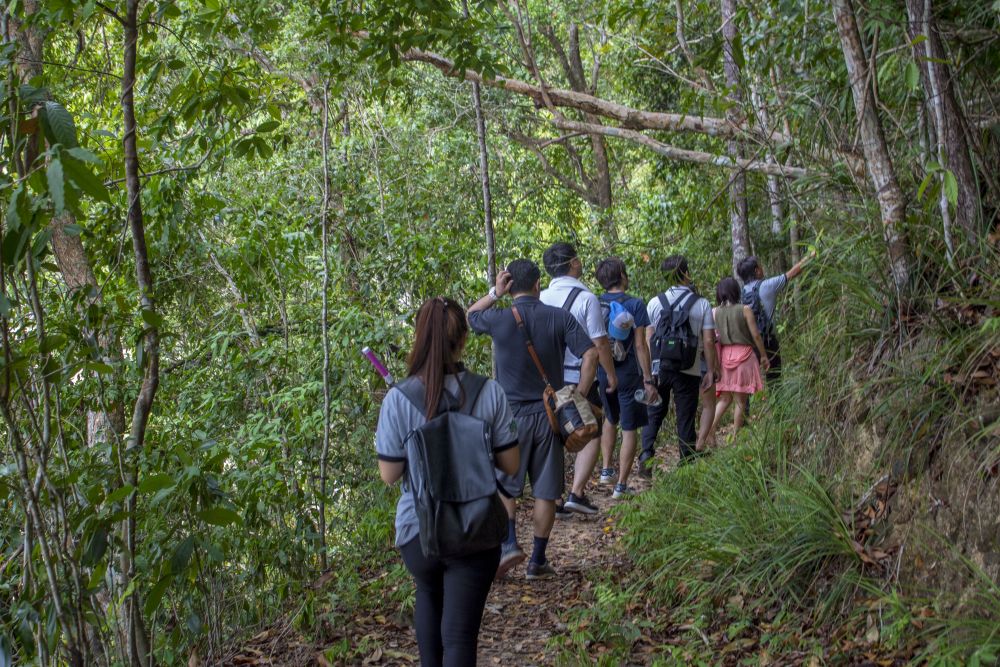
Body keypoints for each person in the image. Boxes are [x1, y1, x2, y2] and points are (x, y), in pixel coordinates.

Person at [375, 297, 521, 667]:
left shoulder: (398, 398)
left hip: (419, 531)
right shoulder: (489, 392)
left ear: (419, 338)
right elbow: (511, 463)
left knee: (427, 592)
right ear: (464, 339)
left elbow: (390, 476)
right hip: (476, 530)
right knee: (460, 637)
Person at [468, 259, 598, 580]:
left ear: (510, 285)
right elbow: (591, 354)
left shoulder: (498, 319)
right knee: (545, 490)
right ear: (539, 284)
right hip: (548, 415)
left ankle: (510, 544)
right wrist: (577, 396)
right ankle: (537, 561)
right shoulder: (558, 317)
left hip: (508, 418)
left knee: (505, 487)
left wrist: (495, 293)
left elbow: (470, 315)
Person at [539, 242, 617, 516]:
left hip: (548, 383)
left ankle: (555, 498)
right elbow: (599, 344)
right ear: (573, 263)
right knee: (592, 428)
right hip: (577, 381)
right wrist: (610, 375)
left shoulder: (541, 297)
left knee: (553, 435)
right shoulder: (586, 299)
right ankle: (577, 492)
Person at [639, 255, 719, 469]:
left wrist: (650, 370)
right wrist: (710, 370)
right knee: (686, 415)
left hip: (660, 368)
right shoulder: (701, 303)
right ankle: (686, 461)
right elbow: (709, 340)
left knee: (654, 412)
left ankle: (646, 454)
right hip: (689, 368)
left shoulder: (655, 302)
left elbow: (648, 338)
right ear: (686, 273)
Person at [593, 258, 657, 497]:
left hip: (603, 370)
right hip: (629, 372)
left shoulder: (595, 302)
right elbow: (641, 345)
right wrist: (648, 378)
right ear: (622, 275)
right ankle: (621, 485)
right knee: (630, 428)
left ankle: (606, 469)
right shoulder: (635, 304)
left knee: (610, 418)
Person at [736, 251, 816, 384]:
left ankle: (745, 405)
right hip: (768, 340)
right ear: (756, 271)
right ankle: (776, 402)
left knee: (747, 385)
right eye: (760, 266)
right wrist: (811, 255)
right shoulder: (767, 286)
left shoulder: (741, 294)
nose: (762, 269)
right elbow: (793, 272)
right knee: (774, 380)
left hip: (748, 342)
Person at [710, 277, 769, 433]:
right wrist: (763, 355)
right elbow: (756, 335)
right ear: (735, 291)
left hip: (724, 358)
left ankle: (710, 429)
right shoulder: (745, 309)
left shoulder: (714, 312)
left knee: (725, 398)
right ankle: (736, 437)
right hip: (744, 356)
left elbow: (712, 339)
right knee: (740, 401)